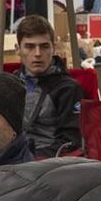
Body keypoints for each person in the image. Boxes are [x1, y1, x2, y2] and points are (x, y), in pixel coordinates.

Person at [13, 15, 84, 158]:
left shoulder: (67, 88)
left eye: (44, 46)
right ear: (18, 49)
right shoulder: (10, 83)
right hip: (11, 156)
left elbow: (70, 141)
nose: (37, 54)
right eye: (30, 46)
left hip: (48, 162)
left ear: (54, 48)